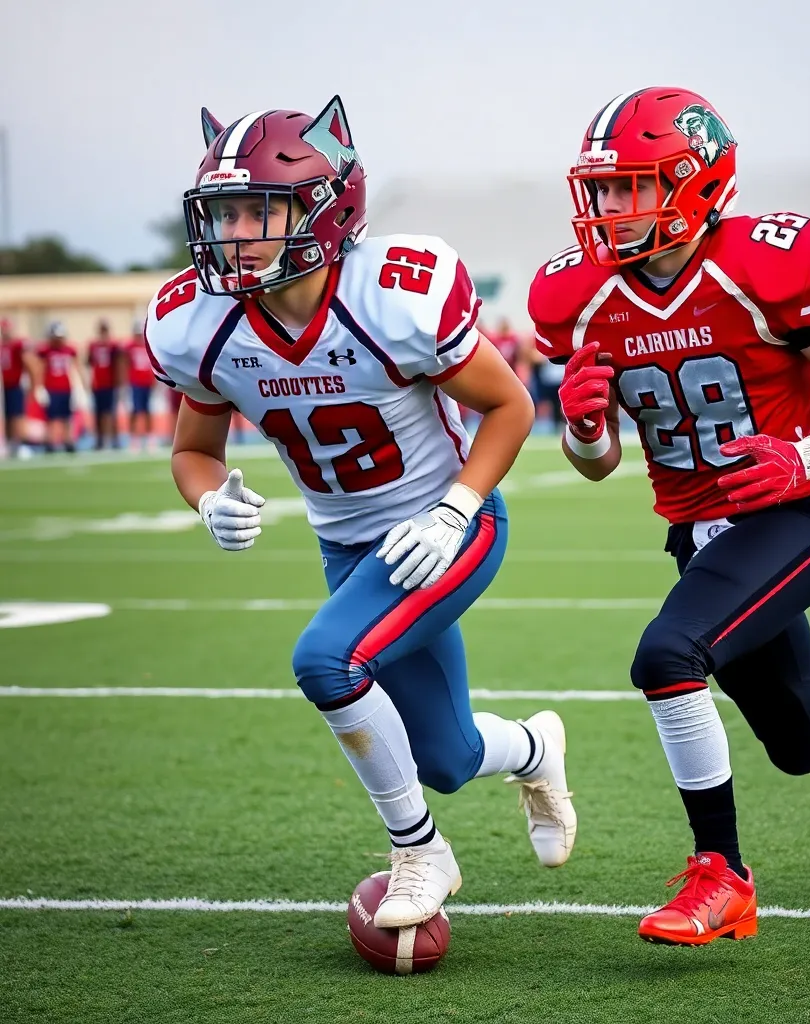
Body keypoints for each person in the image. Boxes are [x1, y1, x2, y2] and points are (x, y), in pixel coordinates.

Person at [529, 86, 810, 947]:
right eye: (606, 190)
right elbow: (597, 467)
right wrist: (585, 429)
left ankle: (721, 874)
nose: (614, 210)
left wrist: (805, 455)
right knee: (802, 739)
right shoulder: (581, 297)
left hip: (800, 512)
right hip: (699, 534)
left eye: (636, 186)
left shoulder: (764, 263)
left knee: (667, 656)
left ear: (697, 182)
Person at [146, 98, 576, 929]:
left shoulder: (392, 294)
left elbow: (511, 406)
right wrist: (208, 497)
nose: (234, 233)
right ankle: (535, 747)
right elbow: (192, 449)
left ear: (326, 208)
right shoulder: (199, 322)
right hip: (346, 545)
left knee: (326, 662)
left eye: (257, 210)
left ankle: (419, 851)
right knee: (448, 755)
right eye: (223, 212)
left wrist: (455, 510)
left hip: (446, 529)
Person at [36, 321, 81, 453]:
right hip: (50, 388)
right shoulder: (45, 351)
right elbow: (40, 369)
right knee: (51, 417)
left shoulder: (69, 350)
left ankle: (68, 441)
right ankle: (50, 441)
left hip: (66, 388)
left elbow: (75, 369)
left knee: (67, 417)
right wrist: (39, 388)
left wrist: (79, 388)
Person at [85, 319, 120, 449]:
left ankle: (113, 439)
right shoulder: (93, 346)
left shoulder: (113, 346)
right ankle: (99, 440)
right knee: (98, 413)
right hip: (98, 384)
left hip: (110, 384)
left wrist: (119, 383)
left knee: (110, 413)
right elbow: (88, 362)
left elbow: (119, 364)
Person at [1, 318, 33, 457]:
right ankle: (8, 443)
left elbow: (28, 362)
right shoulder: (2, 346)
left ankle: (21, 443)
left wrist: (31, 383)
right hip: (4, 387)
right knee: (7, 416)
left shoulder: (17, 345)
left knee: (18, 415)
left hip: (16, 384)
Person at [125, 321, 156, 450]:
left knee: (148, 410)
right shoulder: (129, 347)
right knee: (135, 410)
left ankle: (149, 438)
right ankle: (134, 438)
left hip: (147, 383)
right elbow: (126, 364)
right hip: (135, 383)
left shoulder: (149, 345)